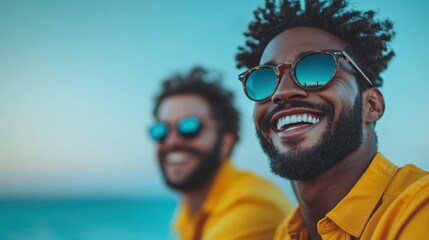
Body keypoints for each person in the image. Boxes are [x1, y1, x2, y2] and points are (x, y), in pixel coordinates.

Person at [235, 0, 429, 239]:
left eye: (315, 68)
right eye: (264, 78)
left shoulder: (420, 208)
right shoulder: (285, 233)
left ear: (371, 106)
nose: (281, 92)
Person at [149, 66, 294, 240]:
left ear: (225, 143)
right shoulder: (188, 211)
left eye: (189, 127)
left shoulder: (251, 208)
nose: (171, 141)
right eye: (161, 130)